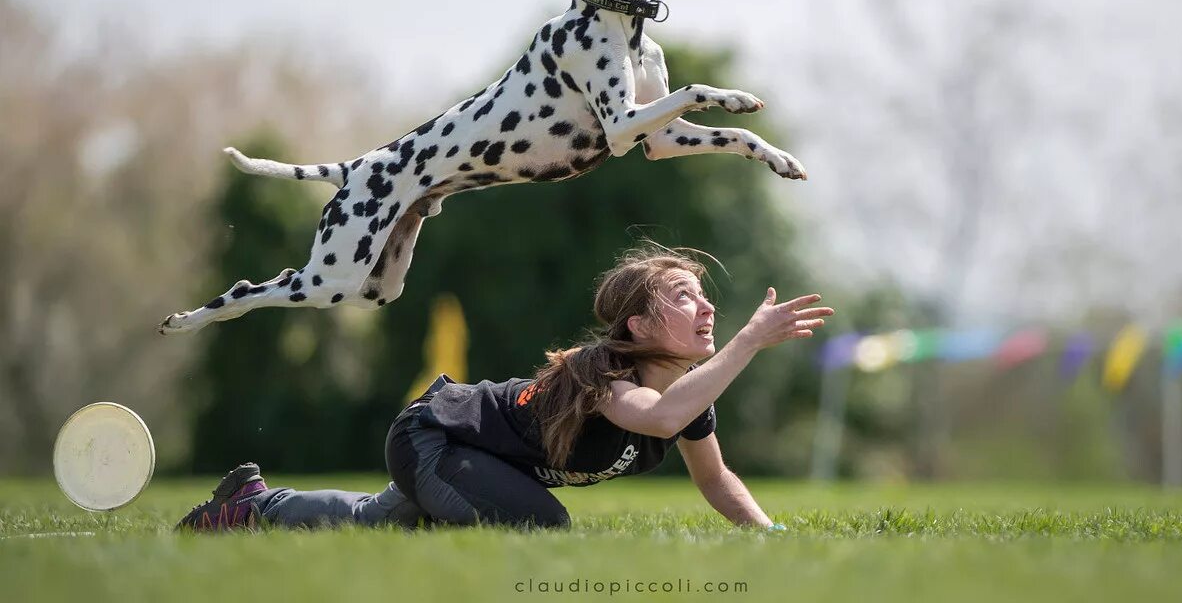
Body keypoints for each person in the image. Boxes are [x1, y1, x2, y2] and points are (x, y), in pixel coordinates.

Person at [176, 245, 833, 532]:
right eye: (684, 297)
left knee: (373, 524)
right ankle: (253, 508)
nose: (707, 308)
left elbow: (716, 481)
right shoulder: (600, 372)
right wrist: (749, 340)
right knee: (541, 524)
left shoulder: (689, 394)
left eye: (704, 297)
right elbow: (657, 419)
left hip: (470, 456)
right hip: (434, 434)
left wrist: (768, 535)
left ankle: (253, 504)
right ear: (637, 324)